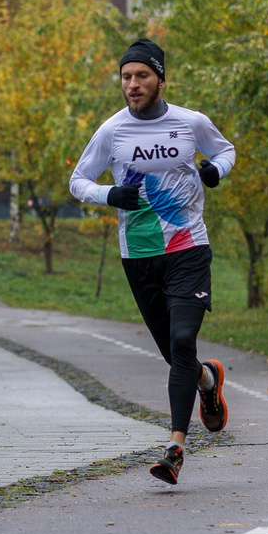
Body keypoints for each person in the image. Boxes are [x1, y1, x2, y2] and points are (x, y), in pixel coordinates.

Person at [68, 38, 236, 486]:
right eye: (126, 77)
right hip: (139, 254)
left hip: (187, 247)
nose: (133, 84)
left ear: (160, 78)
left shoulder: (190, 122)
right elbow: (78, 180)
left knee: (183, 340)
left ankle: (176, 448)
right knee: (173, 354)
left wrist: (215, 170)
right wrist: (109, 195)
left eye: (142, 75)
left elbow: (225, 150)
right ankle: (207, 380)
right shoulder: (112, 131)